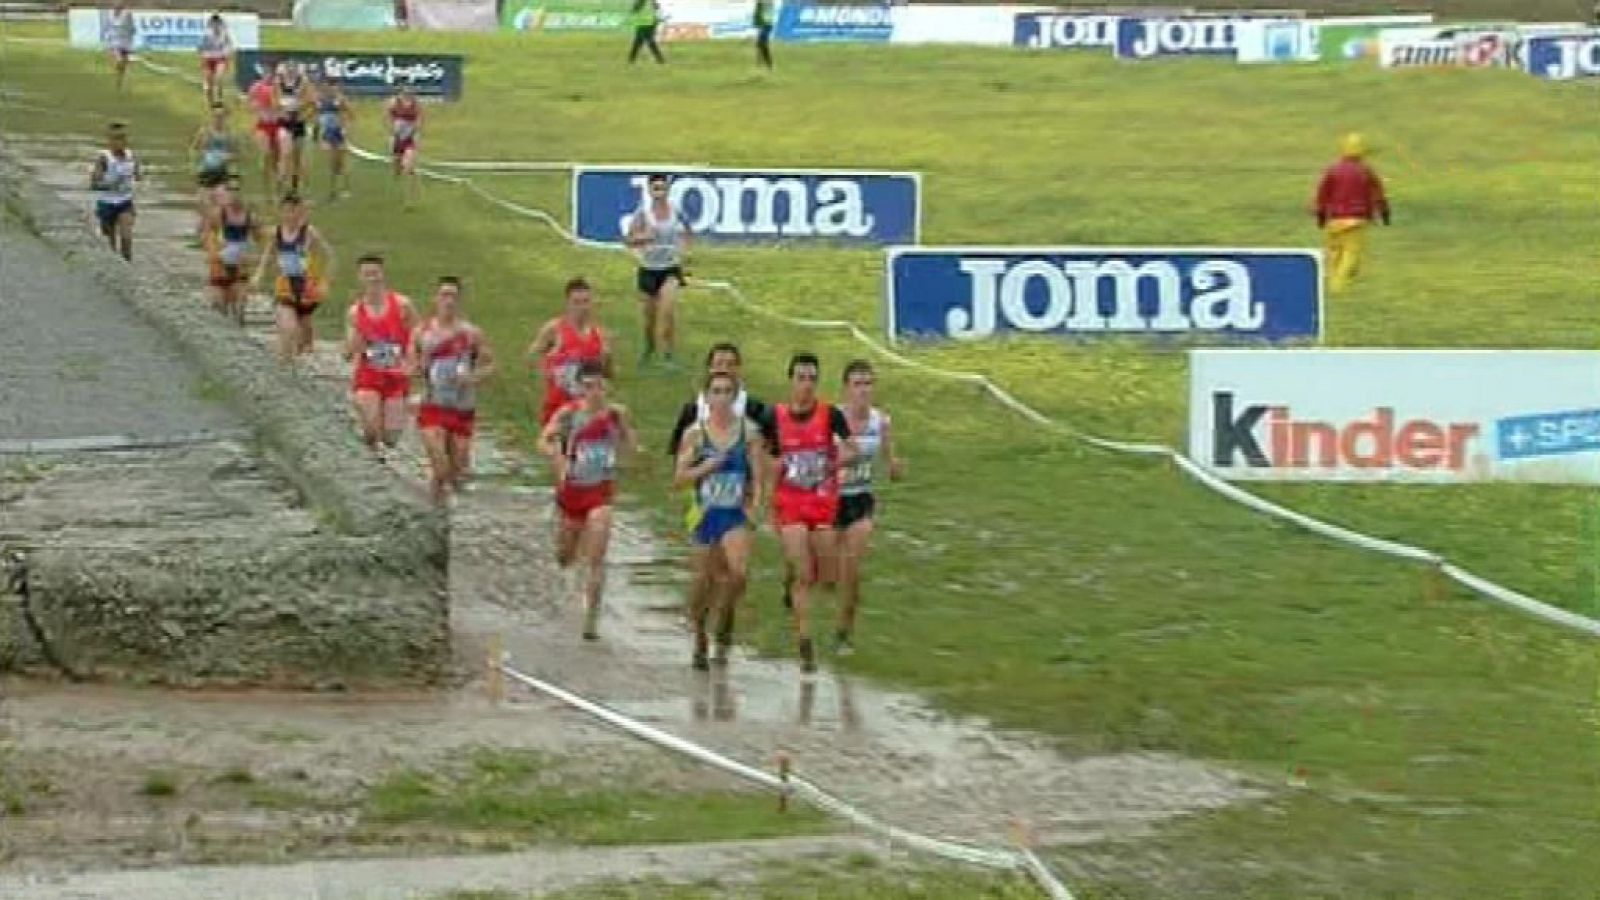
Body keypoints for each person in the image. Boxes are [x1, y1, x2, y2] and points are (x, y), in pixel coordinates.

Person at [665, 343, 776, 651]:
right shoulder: (695, 434)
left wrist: (756, 507)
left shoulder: (750, 432)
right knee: (704, 579)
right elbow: (678, 479)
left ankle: (726, 618)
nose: (722, 398)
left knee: (738, 574)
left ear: (735, 395)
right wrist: (706, 467)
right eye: (716, 391)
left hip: (734, 514)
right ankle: (700, 631)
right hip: (703, 512)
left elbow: (760, 474)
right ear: (707, 396)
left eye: (728, 392)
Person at [760, 353, 856, 674]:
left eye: (812, 378)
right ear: (791, 380)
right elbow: (765, 455)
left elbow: (852, 448)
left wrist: (834, 463)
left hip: (822, 502)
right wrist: (765, 496)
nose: (806, 384)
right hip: (790, 503)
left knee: (826, 577)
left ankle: (793, 577)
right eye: (800, 377)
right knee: (804, 574)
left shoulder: (830, 414)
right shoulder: (774, 416)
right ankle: (804, 641)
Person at [540, 361, 640, 642]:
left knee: (597, 555)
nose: (595, 392)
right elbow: (544, 440)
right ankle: (569, 584)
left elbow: (631, 447)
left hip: (601, 493)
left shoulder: (616, 415)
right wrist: (557, 457)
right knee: (565, 555)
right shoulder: (568, 414)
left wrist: (627, 444)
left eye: (600, 386)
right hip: (571, 493)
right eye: (588, 386)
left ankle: (591, 617)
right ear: (580, 388)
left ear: (608, 387)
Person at [832, 360, 903, 656]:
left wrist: (895, 466)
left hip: (860, 500)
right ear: (846, 388)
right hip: (830, 502)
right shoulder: (831, 419)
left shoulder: (881, 422)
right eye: (857, 384)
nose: (863, 390)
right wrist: (840, 463)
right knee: (824, 570)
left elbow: (890, 460)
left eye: (868, 384)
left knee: (852, 569)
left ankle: (844, 633)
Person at [412, 277, 494, 506]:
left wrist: (472, 377)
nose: (448, 301)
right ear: (435, 299)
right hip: (432, 405)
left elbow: (490, 365)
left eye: (453, 296)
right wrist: (420, 368)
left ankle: (437, 505)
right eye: (444, 295)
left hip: (462, 407)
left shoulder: (471, 334)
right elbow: (410, 366)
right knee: (440, 465)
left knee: (456, 469)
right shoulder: (422, 332)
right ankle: (434, 507)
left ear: (460, 301)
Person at [346, 254, 419, 458]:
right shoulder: (355, 312)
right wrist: (355, 342)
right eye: (367, 275)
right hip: (368, 375)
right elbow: (348, 351)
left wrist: (413, 362)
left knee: (391, 437)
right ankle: (371, 453)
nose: (372, 279)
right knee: (372, 428)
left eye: (375, 274)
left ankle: (377, 443)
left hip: (396, 375)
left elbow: (418, 335)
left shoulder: (402, 305)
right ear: (360, 278)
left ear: (383, 275)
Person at [252, 193, 334, 361]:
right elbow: (268, 255)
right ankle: (283, 363)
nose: (291, 216)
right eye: (287, 211)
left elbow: (330, 255)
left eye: (295, 211)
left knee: (304, 338)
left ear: (301, 212)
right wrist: (258, 274)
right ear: (281, 212)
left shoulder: (309, 232)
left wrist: (325, 282)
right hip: (285, 286)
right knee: (288, 328)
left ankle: (298, 356)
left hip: (306, 287)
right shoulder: (277, 232)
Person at [625, 173, 690, 369]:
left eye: (662, 188)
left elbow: (688, 230)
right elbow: (628, 240)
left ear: (668, 190)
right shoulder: (643, 213)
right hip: (649, 269)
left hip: (670, 268)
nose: (659, 193)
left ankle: (669, 355)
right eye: (655, 189)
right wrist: (644, 237)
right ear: (650, 191)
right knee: (649, 319)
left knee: (667, 312)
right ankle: (649, 348)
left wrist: (685, 252)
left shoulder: (675, 209)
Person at [1312, 132, 1390, 294]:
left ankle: (1331, 281)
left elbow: (1322, 194)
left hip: (1334, 220)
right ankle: (1338, 286)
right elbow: (1378, 193)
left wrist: (1320, 215)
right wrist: (1384, 212)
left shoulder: (1333, 170)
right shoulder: (1366, 171)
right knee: (1351, 254)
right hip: (1357, 220)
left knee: (1334, 252)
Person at [528, 277, 611, 428]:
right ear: (568, 303)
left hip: (587, 410)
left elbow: (607, 375)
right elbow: (533, 354)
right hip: (558, 407)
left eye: (586, 301)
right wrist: (546, 372)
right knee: (558, 450)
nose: (582, 307)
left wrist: (607, 361)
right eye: (576, 302)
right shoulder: (555, 328)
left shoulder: (599, 334)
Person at [204, 178, 261, 325]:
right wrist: (214, 252)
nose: (234, 194)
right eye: (231, 190)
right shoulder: (218, 214)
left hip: (240, 265)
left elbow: (259, 238)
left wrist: (252, 255)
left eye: (237, 190)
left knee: (240, 309)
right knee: (219, 310)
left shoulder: (250, 216)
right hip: (220, 264)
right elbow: (207, 234)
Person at [90, 122, 140, 262]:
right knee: (109, 244)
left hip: (125, 203)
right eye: (116, 138)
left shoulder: (132, 156)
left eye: (123, 138)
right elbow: (94, 185)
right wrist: (111, 185)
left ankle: (128, 266)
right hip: (107, 204)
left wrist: (136, 183)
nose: (121, 142)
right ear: (110, 141)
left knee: (126, 237)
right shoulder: (104, 158)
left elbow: (138, 177)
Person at [189, 102, 238, 244]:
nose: (219, 119)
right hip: (206, 173)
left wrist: (229, 159)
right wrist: (195, 165)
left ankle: (219, 235)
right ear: (212, 117)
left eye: (222, 116)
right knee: (204, 205)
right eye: (216, 116)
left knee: (223, 205)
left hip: (222, 174)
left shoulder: (230, 134)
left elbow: (236, 153)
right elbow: (194, 149)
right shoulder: (205, 132)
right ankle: (202, 235)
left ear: (226, 117)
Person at [273, 62, 312, 193]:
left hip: (298, 121)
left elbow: (310, 100)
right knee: (286, 154)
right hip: (284, 122)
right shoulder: (278, 83)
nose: (290, 72)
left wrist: (302, 111)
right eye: (288, 69)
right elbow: (275, 102)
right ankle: (280, 186)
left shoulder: (303, 82)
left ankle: (295, 187)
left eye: (293, 69)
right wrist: (282, 111)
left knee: (298, 157)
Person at [314, 73, 353, 201]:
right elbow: (317, 116)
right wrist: (317, 131)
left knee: (340, 162)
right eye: (327, 85)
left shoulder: (340, 99)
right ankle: (333, 190)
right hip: (327, 132)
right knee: (331, 161)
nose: (330, 88)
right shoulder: (320, 99)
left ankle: (345, 188)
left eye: (332, 86)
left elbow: (350, 114)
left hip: (338, 131)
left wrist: (345, 128)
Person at [244, 67, 280, 195]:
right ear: (263, 75)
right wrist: (257, 107)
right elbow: (249, 103)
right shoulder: (257, 87)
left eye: (271, 75)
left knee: (276, 157)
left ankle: (276, 184)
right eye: (267, 74)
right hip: (263, 125)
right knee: (266, 154)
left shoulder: (278, 88)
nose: (269, 77)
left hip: (277, 125)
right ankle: (266, 185)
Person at [387, 87, 423, 208]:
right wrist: (393, 132)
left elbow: (419, 122)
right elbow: (389, 118)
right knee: (397, 166)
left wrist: (415, 136)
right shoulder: (394, 103)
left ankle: (409, 200)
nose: (408, 96)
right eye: (405, 94)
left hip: (409, 139)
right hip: (397, 138)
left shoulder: (416, 105)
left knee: (408, 168)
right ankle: (397, 179)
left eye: (410, 94)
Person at [197, 14, 234, 106]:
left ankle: (219, 100)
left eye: (217, 23)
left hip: (220, 59)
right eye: (214, 23)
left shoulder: (224, 34)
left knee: (219, 78)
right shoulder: (206, 35)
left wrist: (227, 54)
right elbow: (200, 48)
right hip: (208, 60)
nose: (216, 25)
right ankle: (210, 101)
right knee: (209, 84)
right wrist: (203, 56)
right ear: (211, 24)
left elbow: (229, 45)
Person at [106, 2, 135, 93]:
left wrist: (131, 37)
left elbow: (131, 27)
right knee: (119, 60)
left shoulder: (127, 14)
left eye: (118, 6)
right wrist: (108, 39)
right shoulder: (110, 14)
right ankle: (118, 68)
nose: (116, 8)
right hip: (115, 42)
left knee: (125, 65)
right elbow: (109, 27)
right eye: (115, 6)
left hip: (126, 42)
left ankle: (121, 83)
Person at [627, 0, 665, 64]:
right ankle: (631, 59)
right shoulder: (650, 2)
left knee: (647, 42)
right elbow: (657, 8)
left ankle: (660, 59)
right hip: (644, 23)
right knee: (639, 42)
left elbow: (634, 9)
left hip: (645, 24)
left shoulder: (643, 2)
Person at [753, 0, 774, 69]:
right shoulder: (759, 4)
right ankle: (761, 64)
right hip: (764, 24)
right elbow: (757, 14)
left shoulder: (764, 3)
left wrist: (760, 24)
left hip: (766, 24)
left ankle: (767, 64)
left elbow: (764, 12)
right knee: (760, 44)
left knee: (761, 44)